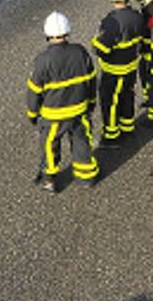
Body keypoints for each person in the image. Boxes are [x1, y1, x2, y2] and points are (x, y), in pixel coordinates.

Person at [26, 11, 99, 192]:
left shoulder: (43, 60)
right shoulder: (80, 52)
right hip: (79, 111)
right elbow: (91, 80)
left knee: (50, 145)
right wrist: (91, 103)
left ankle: (49, 179)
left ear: (47, 34)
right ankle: (86, 177)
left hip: (53, 115)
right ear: (68, 31)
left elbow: (34, 91)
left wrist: (33, 113)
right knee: (82, 142)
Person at [93, 0, 146, 146]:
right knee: (128, 95)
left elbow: (101, 48)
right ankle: (128, 127)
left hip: (113, 70)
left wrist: (95, 41)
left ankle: (111, 135)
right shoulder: (137, 16)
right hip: (131, 67)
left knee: (110, 101)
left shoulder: (111, 21)